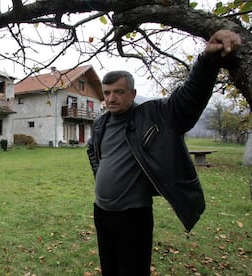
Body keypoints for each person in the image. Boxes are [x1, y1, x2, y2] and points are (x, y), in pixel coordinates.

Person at [86, 30, 242, 276]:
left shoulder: (153, 115)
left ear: (133, 94)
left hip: (133, 216)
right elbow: (94, 153)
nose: (111, 98)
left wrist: (206, 62)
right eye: (106, 93)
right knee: (109, 268)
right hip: (102, 213)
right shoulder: (100, 123)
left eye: (118, 92)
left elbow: (187, 100)